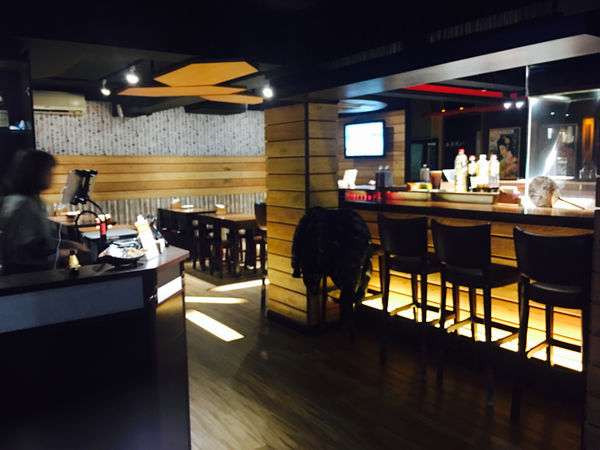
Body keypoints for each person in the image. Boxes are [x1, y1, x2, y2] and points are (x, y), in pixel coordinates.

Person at [0, 150, 90, 274]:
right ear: (35, 174)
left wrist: (70, 244)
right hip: (26, 277)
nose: (52, 177)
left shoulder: (33, 201)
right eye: (49, 172)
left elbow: (42, 241)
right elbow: (24, 249)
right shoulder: (23, 205)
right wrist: (60, 254)